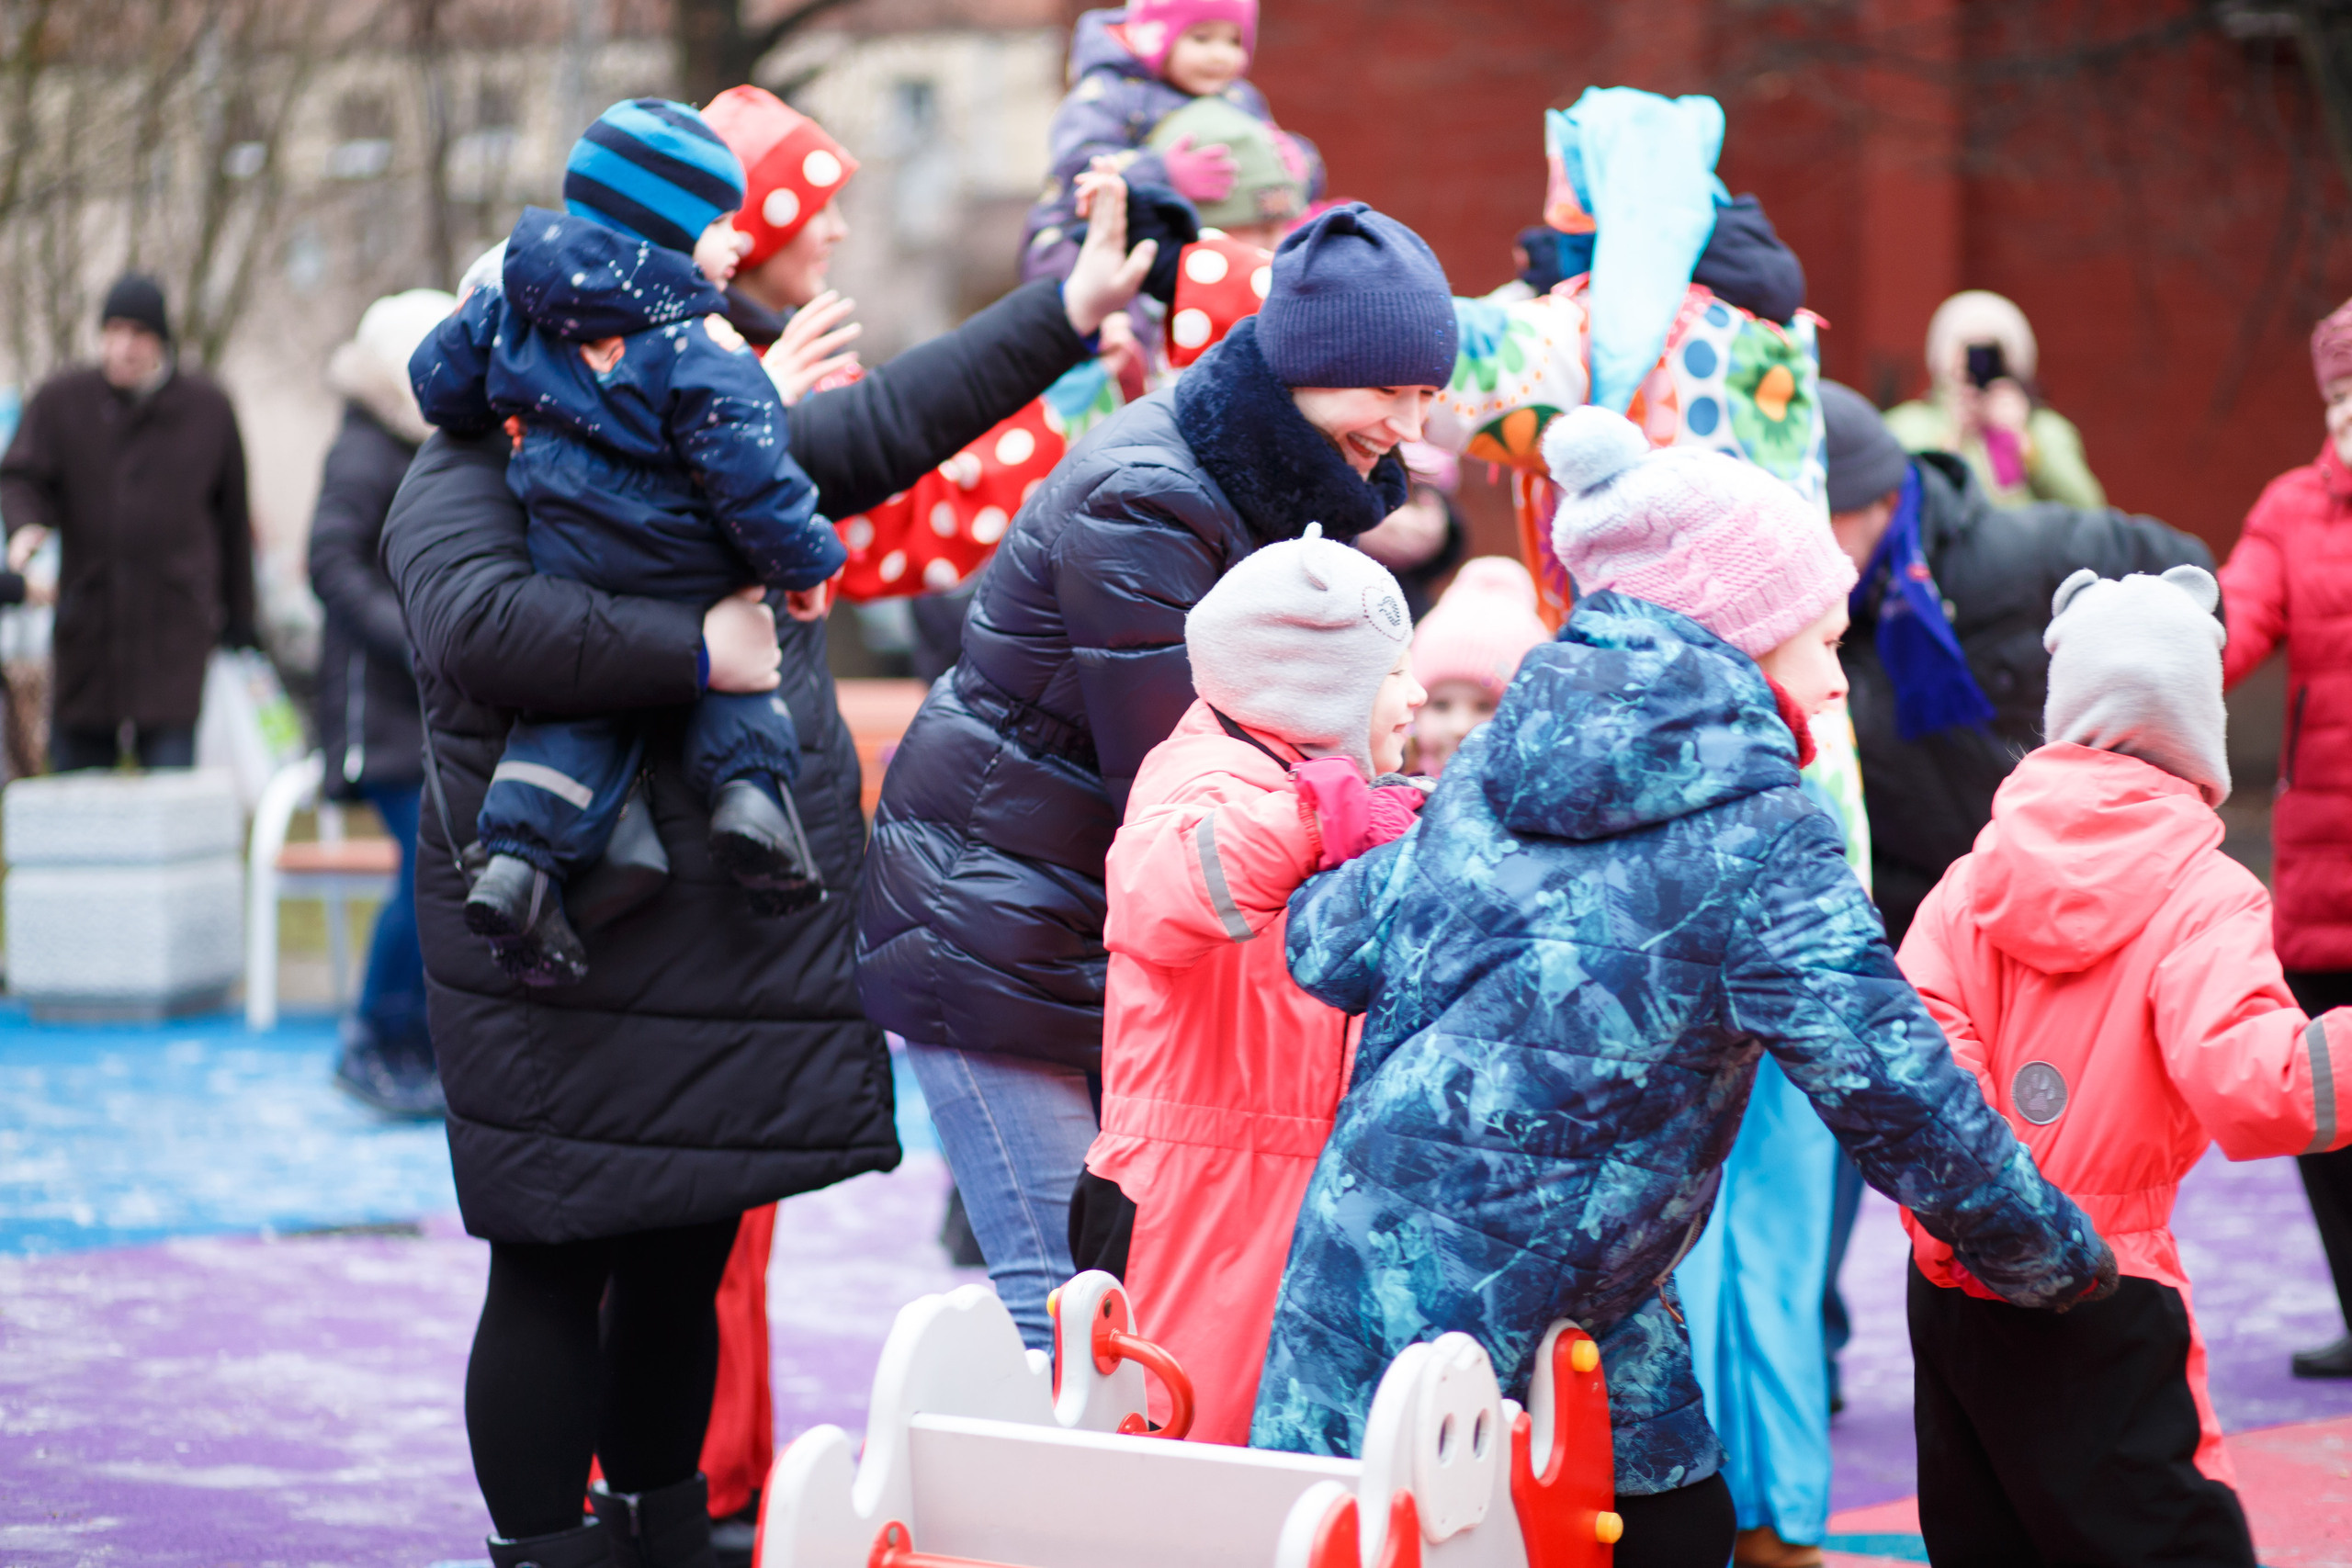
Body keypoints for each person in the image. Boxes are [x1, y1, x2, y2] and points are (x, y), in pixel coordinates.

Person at [383, 120, 1155, 1568]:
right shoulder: (469, 461)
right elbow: (480, 629)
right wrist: (699, 646)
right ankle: (551, 1545)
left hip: (710, 925)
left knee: (685, 1244)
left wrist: (1063, 314)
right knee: (553, 1261)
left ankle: (667, 1527)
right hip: (559, 922)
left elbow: (870, 432)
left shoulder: (661, 430)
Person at [1250, 405, 2115, 1568]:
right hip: (1495, 1311)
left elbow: (1328, 946)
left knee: (1671, 1520)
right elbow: (1894, 1083)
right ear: (1739, 641)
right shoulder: (1760, 837)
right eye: (1818, 646)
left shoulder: (1497, 765)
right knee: (1453, 1537)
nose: (1832, 684)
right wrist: (2050, 1254)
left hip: (1426, 1256)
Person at [858, 202, 1458, 1355]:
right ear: (1309, 366)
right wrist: (1351, 809)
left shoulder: (1272, 483)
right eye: (1390, 388)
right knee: (1077, 1309)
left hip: (1080, 914)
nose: (1411, 424)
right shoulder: (1151, 495)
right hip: (992, 928)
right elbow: (1186, 771)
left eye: (1428, 393)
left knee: (1130, 1303)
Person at [1897, 564, 2352, 1565]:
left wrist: (1987, 1196)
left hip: (1954, 1274)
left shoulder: (1973, 876)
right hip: (2106, 1273)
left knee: (1987, 1535)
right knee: (2163, 1534)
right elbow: (2262, 1086)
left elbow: (1915, 1063)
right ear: (2199, 725)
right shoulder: (2202, 891)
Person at [411, 98, 851, 984]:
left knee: (577, 710)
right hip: (682, 563)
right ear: (670, 231)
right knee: (742, 640)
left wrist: (486, 348)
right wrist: (806, 564)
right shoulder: (701, 345)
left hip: (567, 554)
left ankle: (519, 862)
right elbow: (755, 483)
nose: (735, 244)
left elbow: (436, 383)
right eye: (722, 223)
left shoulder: (517, 307)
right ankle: (750, 800)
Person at [1069, 525, 1428, 1444]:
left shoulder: (1306, 783)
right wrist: (1310, 817)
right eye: (1395, 673)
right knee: (1184, 1463)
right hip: (1194, 1195)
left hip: (1294, 1175)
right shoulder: (1205, 777)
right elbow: (1157, 895)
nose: (1417, 695)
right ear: (1312, 688)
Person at [1821, 380, 2210, 947]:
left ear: (1880, 500)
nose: (1811, 544)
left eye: (1826, 520)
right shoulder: (1810, 622)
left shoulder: (2010, 554)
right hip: (1918, 928)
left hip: (2049, 894)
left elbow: (2182, 564)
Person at [2217, 297, 2352, 1381]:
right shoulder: (2293, 510)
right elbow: (2236, 616)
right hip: (2323, 863)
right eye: (2342, 393)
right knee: (2323, 1111)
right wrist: (2159, 651)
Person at [0, 274, 256, 772]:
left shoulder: (208, 411)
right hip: (88, 635)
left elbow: (232, 523)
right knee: (81, 800)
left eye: (138, 334)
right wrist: (27, 525)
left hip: (174, 638)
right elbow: (19, 476)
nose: (123, 347)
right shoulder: (62, 401)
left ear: (162, 341)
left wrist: (240, 621)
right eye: (112, 331)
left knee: (170, 794)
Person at [311, 288, 453, 1117]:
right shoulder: (363, 451)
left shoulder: (410, 448)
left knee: (438, 866)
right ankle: (374, 1035)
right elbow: (329, 562)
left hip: (416, 705)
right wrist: (412, 636)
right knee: (426, 867)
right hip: (379, 711)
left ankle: (417, 1037)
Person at [1884, 290, 2106, 510]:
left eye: (1991, 351)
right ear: (1943, 354)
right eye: (1968, 349)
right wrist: (1951, 446)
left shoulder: (2043, 429)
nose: (1978, 363)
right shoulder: (1906, 427)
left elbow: (2089, 508)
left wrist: (2026, 448)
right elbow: (1894, 504)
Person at [1403, 557, 1548, 775]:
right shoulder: (1393, 795)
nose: (1459, 727)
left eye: (1484, 707)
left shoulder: (1537, 803)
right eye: (1440, 705)